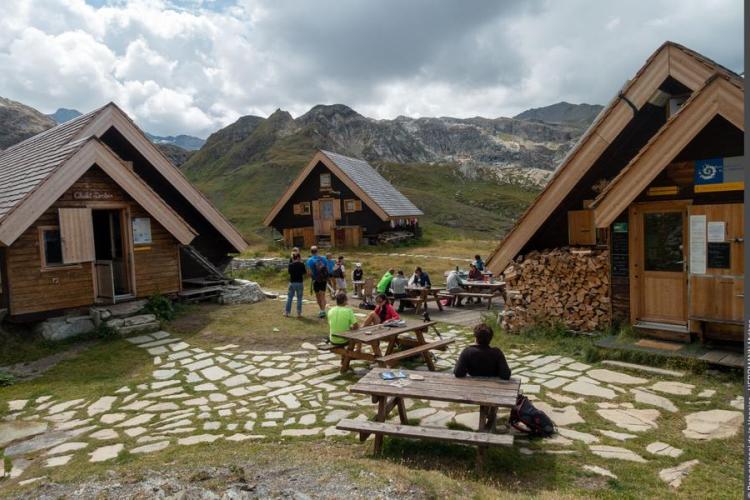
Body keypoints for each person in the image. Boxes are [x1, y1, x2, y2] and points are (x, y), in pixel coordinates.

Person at [305, 246, 329, 318]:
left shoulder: (309, 260)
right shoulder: (324, 258)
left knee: (318, 296)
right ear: (317, 251)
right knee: (323, 295)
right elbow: (327, 269)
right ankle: (323, 310)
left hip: (316, 280)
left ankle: (321, 310)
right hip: (323, 280)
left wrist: (313, 277)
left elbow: (309, 273)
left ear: (311, 252)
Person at [285, 253, 306, 317]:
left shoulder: (290, 265)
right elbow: (304, 272)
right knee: (299, 298)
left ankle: (287, 312)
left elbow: (289, 272)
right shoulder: (302, 264)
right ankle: (299, 313)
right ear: (298, 257)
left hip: (292, 283)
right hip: (300, 283)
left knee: (289, 298)